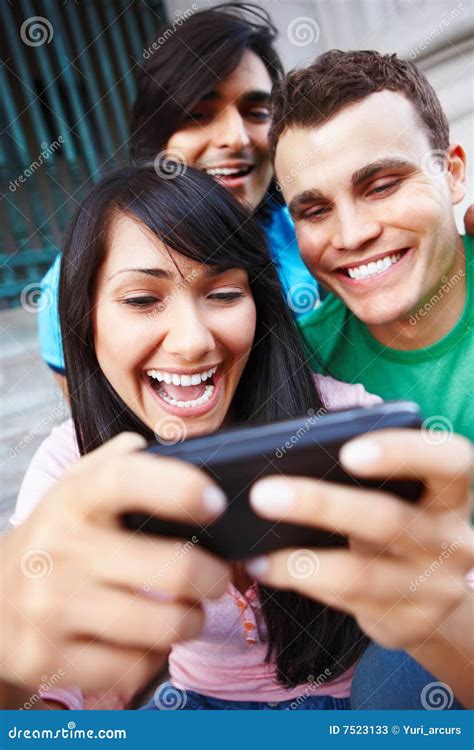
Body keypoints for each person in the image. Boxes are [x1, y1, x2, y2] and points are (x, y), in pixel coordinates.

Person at [6, 166, 472, 710]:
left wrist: (445, 618)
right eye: (141, 300)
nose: (192, 341)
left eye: (224, 293)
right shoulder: (70, 468)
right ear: (86, 319)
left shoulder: (352, 428)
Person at [37, 3, 319, 388]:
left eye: (256, 112)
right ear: (157, 134)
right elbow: (93, 423)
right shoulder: (80, 276)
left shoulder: (316, 239)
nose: (235, 138)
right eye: (199, 115)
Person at [270, 49, 474, 441]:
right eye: (314, 211)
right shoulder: (294, 369)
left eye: (381, 187)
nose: (352, 235)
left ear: (452, 173)